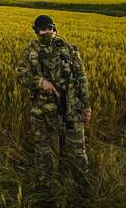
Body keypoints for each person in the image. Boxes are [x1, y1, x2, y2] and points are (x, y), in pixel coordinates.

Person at [16, 14, 92, 192]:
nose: (46, 32)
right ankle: (45, 187)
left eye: (49, 28)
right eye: (42, 29)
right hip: (42, 111)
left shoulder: (68, 48)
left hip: (71, 108)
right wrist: (40, 82)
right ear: (36, 31)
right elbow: (21, 76)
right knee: (43, 150)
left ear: (54, 28)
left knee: (77, 151)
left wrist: (86, 106)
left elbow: (81, 79)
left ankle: (82, 187)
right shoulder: (30, 51)